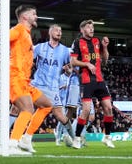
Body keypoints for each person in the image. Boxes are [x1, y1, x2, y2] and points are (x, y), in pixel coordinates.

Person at [8, 4, 53, 155]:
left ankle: (26, 139)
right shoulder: (19, 29)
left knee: (46, 105)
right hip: (16, 78)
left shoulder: (27, 33)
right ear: (25, 17)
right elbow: (6, 38)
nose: (36, 16)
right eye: (34, 14)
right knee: (27, 109)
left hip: (26, 81)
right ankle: (13, 144)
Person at [25, 24, 76, 149]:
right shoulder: (39, 48)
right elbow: (28, 61)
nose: (59, 32)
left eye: (61, 30)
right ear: (50, 32)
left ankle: (74, 139)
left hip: (53, 88)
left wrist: (68, 71)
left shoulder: (65, 51)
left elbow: (68, 70)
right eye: (56, 30)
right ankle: (10, 137)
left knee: (61, 116)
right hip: (37, 84)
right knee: (20, 107)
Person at [70, 19, 115, 149]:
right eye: (89, 27)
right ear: (82, 30)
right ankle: (77, 139)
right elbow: (73, 62)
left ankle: (107, 137)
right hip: (87, 80)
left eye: (92, 27)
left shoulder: (96, 41)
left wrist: (105, 47)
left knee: (108, 108)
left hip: (100, 80)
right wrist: (87, 64)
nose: (92, 29)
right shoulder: (78, 42)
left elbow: (105, 59)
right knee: (86, 110)